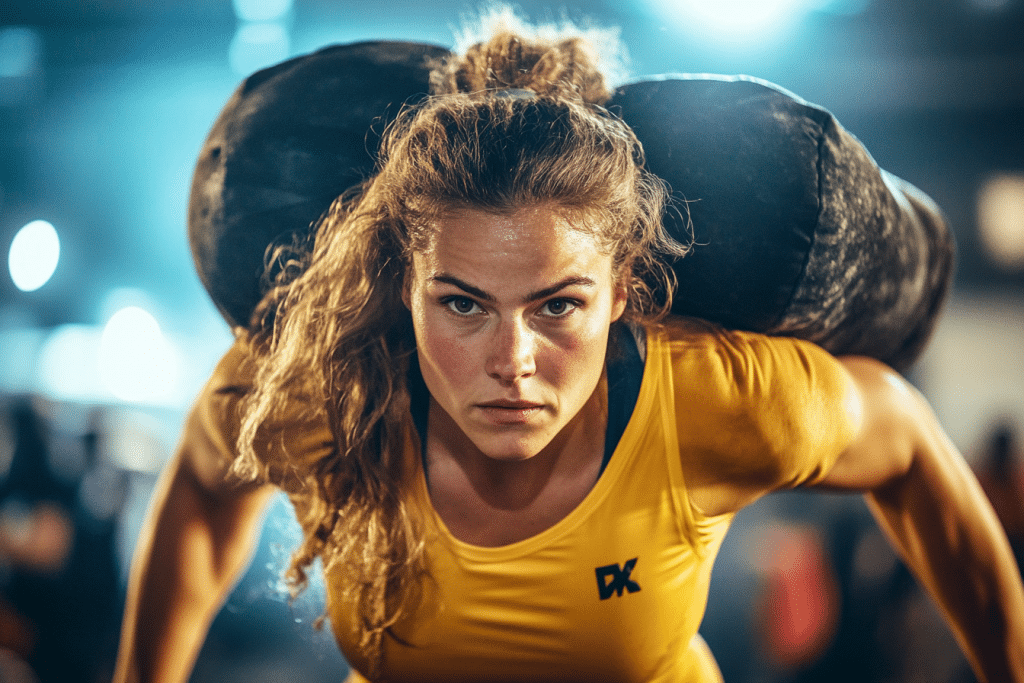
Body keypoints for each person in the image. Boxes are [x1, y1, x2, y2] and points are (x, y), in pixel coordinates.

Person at [114, 17, 1024, 683]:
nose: (511, 359)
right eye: (463, 303)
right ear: (401, 283)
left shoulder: (717, 401)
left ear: (624, 291)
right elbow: (202, 481)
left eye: (558, 305)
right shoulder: (323, 384)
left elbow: (904, 440)